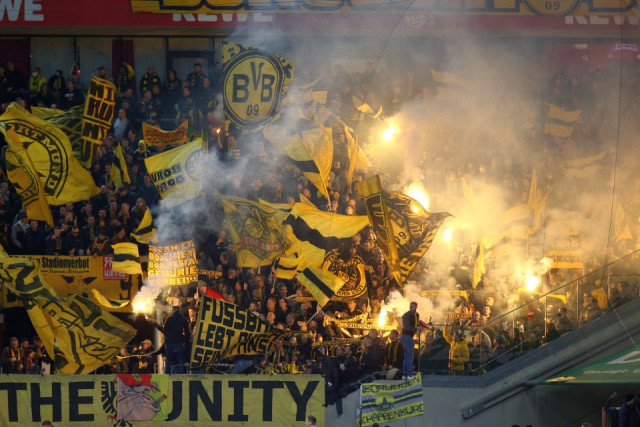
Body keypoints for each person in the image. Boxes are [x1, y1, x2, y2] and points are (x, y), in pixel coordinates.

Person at [400, 301, 421, 379]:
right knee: (410, 356)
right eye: (410, 306)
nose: (411, 308)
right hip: (406, 336)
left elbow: (416, 324)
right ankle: (409, 374)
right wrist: (417, 329)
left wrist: (420, 326)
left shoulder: (417, 315)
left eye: (413, 306)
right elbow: (406, 327)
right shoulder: (405, 315)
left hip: (410, 336)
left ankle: (404, 375)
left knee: (407, 356)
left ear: (416, 307)